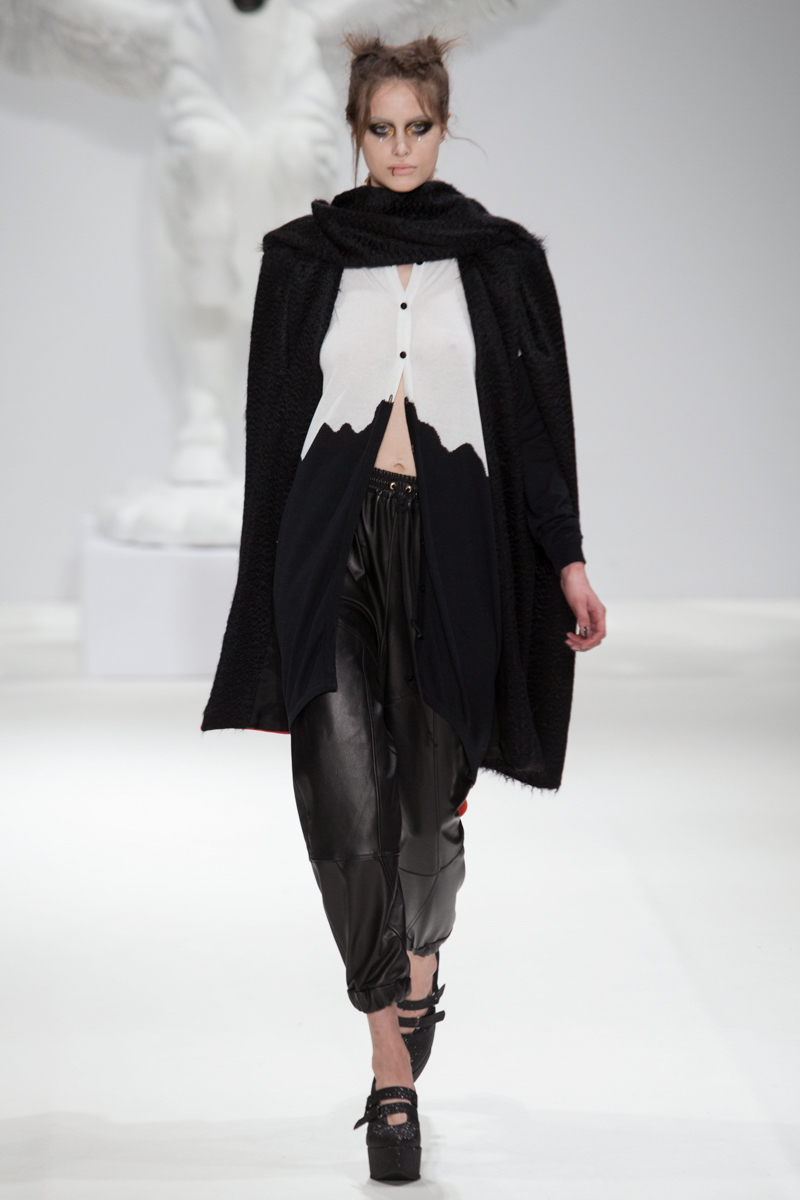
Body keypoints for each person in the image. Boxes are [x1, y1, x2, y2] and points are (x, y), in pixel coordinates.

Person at [202, 31, 606, 1184]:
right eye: (378, 130)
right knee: (344, 806)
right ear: (352, 132)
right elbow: (268, 437)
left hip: (451, 551)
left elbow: (532, 429)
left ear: (442, 124)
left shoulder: (498, 260)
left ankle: (422, 965)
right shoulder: (301, 260)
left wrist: (567, 559)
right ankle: (388, 1066)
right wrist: (260, 597)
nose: (397, 149)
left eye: (415, 128)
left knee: (425, 813)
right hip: (326, 545)